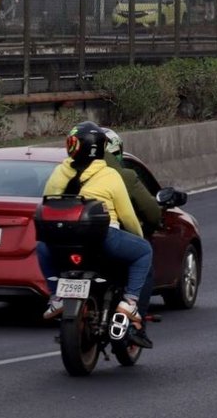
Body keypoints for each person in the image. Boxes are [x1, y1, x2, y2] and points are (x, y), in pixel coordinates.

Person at [38, 121, 154, 349]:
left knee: (41, 247)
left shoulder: (59, 172)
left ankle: (56, 297)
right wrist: (138, 237)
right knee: (144, 252)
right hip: (102, 240)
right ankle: (130, 302)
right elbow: (127, 216)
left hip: (63, 243)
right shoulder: (110, 176)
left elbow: (47, 201)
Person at [101, 127, 164, 319]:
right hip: (109, 238)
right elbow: (149, 213)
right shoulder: (122, 177)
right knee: (144, 254)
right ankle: (136, 320)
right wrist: (143, 230)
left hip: (69, 240)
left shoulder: (67, 174)